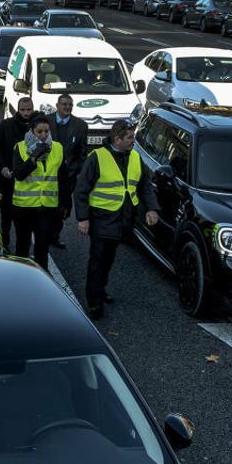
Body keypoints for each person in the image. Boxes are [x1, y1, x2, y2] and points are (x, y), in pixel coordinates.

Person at [72, 119, 160, 319]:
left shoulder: (135, 157)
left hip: (123, 221)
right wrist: (83, 219)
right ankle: (94, 303)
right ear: (117, 138)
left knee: (108, 259)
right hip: (102, 219)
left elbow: (145, 186)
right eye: (129, 137)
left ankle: (100, 290)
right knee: (97, 260)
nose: (133, 141)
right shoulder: (97, 157)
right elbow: (81, 190)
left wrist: (152, 209)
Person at [10, 113, 66, 270]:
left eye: (46, 131)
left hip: (47, 207)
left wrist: (64, 204)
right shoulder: (20, 147)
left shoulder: (58, 148)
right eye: (39, 132)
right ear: (31, 131)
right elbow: (19, 175)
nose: (43, 135)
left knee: (42, 246)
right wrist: (33, 159)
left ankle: (43, 277)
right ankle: (19, 275)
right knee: (22, 245)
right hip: (23, 207)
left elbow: (63, 178)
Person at [0, 96, 35, 252]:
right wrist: (2, 166)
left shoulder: (36, 128)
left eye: (29, 110)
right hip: (7, 178)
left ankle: (22, 248)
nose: (26, 113)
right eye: (23, 110)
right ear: (18, 109)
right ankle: (4, 242)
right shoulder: (6, 125)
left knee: (22, 218)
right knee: (6, 214)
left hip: (27, 181)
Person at [46, 94, 90, 250]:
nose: (67, 107)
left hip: (69, 176)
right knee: (47, 206)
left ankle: (54, 236)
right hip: (48, 174)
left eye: (70, 105)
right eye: (64, 104)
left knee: (62, 207)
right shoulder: (46, 122)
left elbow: (83, 153)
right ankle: (44, 234)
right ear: (57, 105)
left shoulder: (80, 126)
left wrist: (79, 172)